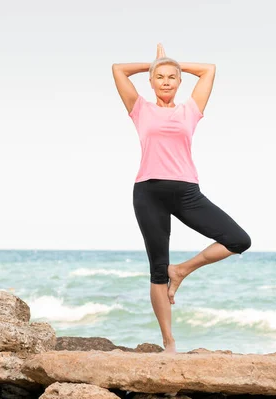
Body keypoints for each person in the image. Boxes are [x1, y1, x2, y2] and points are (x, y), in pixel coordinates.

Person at [111, 43, 251, 354]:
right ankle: (169, 342)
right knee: (157, 269)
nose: (165, 81)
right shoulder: (140, 109)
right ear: (150, 81)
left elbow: (209, 69)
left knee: (238, 239)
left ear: (179, 82)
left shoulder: (190, 110)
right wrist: (156, 62)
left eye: (171, 77)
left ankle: (183, 270)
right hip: (148, 192)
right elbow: (118, 70)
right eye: (159, 76)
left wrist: (172, 61)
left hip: (187, 191)